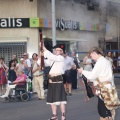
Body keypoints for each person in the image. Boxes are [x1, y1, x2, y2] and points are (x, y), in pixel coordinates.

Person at [78, 47, 119, 120]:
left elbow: (92, 75)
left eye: (91, 56)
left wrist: (82, 71)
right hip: (108, 88)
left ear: (94, 53)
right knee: (107, 110)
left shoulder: (100, 62)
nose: (92, 58)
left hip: (104, 89)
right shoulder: (106, 61)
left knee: (104, 111)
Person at [40, 43, 67, 120]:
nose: (55, 51)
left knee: (61, 100)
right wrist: (40, 56)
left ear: (62, 51)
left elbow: (51, 56)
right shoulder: (54, 59)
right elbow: (43, 63)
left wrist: (44, 48)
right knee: (52, 101)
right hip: (51, 82)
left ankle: (63, 116)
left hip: (58, 81)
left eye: (57, 50)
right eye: (55, 50)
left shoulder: (61, 58)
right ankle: (54, 116)